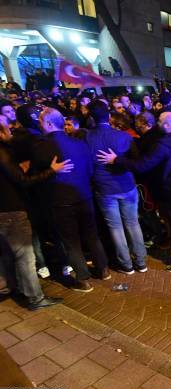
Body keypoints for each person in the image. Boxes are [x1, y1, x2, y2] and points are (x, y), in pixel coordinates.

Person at [97, 112, 171, 273]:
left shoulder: (163, 144)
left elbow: (143, 165)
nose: (157, 124)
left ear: (167, 125)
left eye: (159, 121)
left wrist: (117, 159)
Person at [30, 108, 109, 292]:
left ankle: (83, 279)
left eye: (41, 122)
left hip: (60, 200)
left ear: (48, 124)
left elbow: (34, 177)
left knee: (71, 240)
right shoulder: (79, 143)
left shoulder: (41, 147)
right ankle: (103, 269)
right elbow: (90, 169)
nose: (39, 125)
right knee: (91, 234)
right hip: (84, 195)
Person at [0, 114, 68, 310]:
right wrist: (51, 171)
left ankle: (8, 287)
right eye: (7, 129)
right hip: (11, 210)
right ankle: (34, 297)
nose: (11, 132)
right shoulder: (3, 152)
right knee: (25, 255)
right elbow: (22, 181)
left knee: (6, 253)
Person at [86, 101, 147, 275]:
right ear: (109, 116)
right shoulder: (124, 137)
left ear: (91, 117)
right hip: (125, 184)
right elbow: (137, 161)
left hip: (104, 187)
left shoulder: (87, 137)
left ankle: (126, 264)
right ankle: (141, 262)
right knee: (132, 223)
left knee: (115, 227)